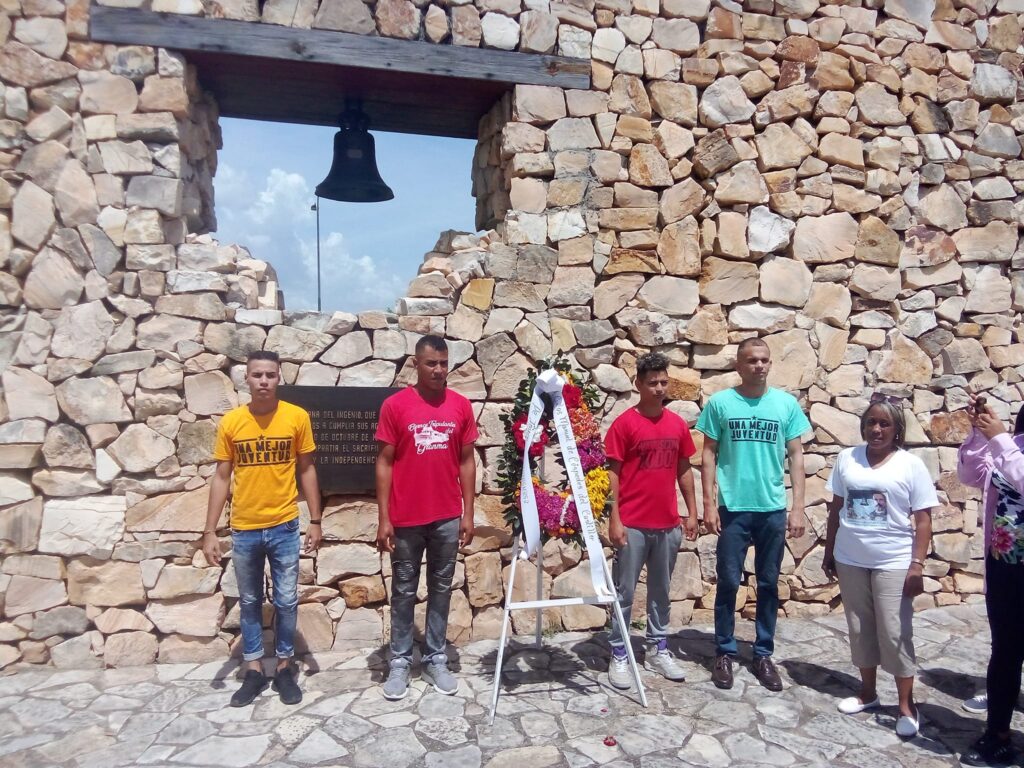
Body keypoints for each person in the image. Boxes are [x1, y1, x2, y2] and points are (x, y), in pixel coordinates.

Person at [202, 350, 322, 707]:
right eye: (257, 375)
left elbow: (306, 469)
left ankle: (285, 667)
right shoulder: (232, 423)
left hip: (285, 524)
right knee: (251, 601)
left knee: (286, 600)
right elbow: (222, 476)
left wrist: (315, 520)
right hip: (245, 528)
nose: (264, 381)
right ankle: (254, 669)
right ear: (247, 379)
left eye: (270, 374)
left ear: (279, 377)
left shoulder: (296, 417)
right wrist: (210, 530)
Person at [695, 337, 811, 692]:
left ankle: (763, 652)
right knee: (728, 582)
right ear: (739, 366)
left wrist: (798, 508)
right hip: (733, 509)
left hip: (772, 509)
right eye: (751, 360)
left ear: (770, 363)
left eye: (763, 360)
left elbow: (796, 457)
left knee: (768, 584)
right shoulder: (721, 404)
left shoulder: (785, 404)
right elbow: (708, 455)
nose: (758, 366)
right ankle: (725, 651)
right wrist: (709, 504)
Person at [821, 393, 936, 738]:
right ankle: (868, 693)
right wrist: (829, 552)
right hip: (850, 558)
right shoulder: (846, 459)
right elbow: (836, 508)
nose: (877, 429)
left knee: (894, 630)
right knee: (859, 626)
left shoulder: (910, 465)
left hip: (894, 560)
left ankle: (905, 705)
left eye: (885, 423)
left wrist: (917, 565)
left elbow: (924, 520)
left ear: (897, 429)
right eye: (871, 422)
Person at [375, 334, 477, 700]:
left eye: (444, 363)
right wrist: (384, 517)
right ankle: (400, 660)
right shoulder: (396, 406)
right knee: (403, 591)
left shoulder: (461, 406)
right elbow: (384, 463)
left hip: (447, 516)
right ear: (416, 364)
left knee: (441, 589)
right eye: (431, 363)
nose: (438, 370)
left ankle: (435, 656)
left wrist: (469, 512)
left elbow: (467, 462)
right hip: (406, 519)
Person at [605, 352, 699, 690]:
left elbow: (684, 469)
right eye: (652, 383)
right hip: (632, 524)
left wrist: (691, 511)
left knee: (661, 590)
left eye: (663, 382)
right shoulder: (624, 425)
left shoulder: (676, 425)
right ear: (638, 385)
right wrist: (614, 519)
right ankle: (619, 652)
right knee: (624, 591)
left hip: (668, 525)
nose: (659, 388)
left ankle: (658, 648)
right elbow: (611, 475)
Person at [958, 395, 1024, 766]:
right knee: (1005, 653)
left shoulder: (1008, 447)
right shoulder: (1010, 446)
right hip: (1004, 569)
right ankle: (997, 734)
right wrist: (979, 435)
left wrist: (998, 440)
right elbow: (971, 475)